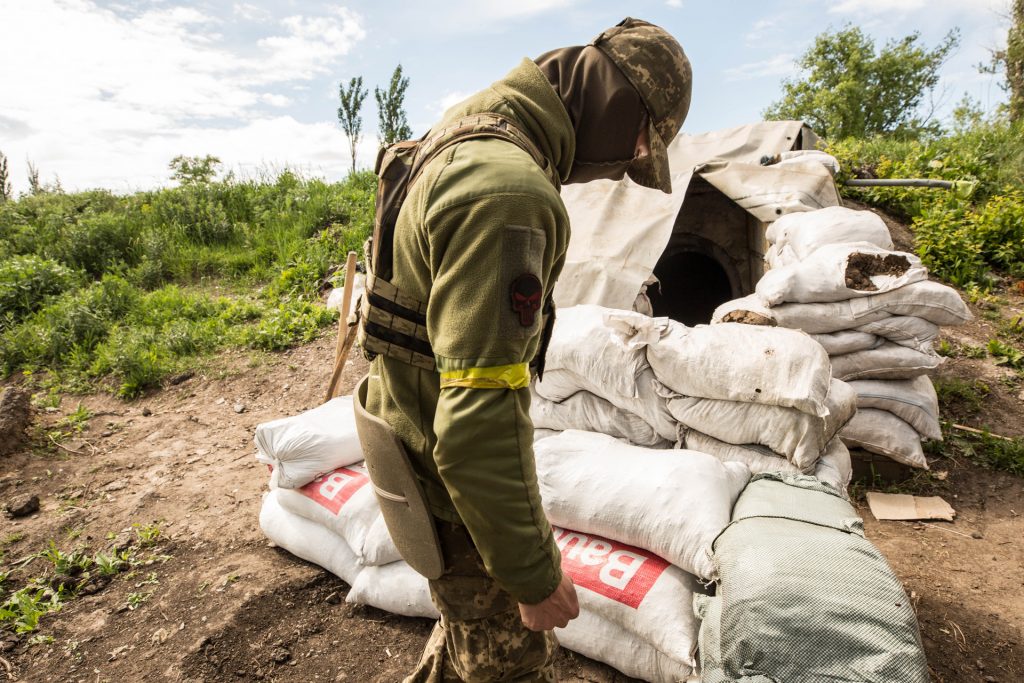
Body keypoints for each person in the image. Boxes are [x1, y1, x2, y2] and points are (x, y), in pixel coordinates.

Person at [359, 17, 692, 682]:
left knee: (467, 641)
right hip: (455, 488)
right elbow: (475, 426)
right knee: (505, 663)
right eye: (638, 145)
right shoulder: (506, 192)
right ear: (616, 102)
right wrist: (533, 576)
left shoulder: (468, 128)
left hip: (412, 439)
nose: (626, 166)